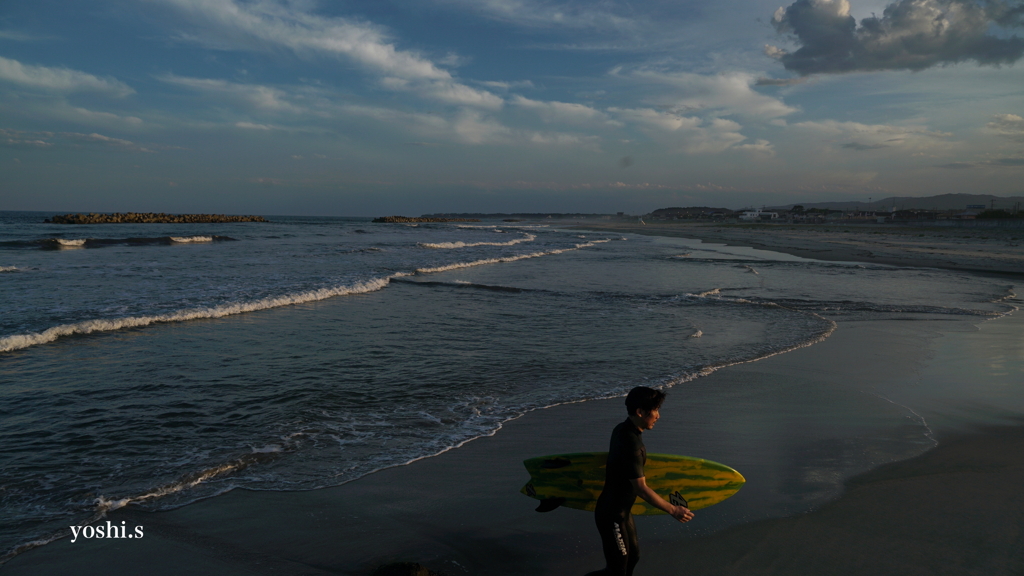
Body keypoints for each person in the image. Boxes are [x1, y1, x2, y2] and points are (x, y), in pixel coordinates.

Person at [585, 386, 693, 576]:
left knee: (632, 558)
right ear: (640, 412)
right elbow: (641, 489)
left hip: (622, 512)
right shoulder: (631, 444)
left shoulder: (621, 428)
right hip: (612, 515)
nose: (658, 416)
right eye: (655, 410)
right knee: (617, 570)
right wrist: (674, 509)